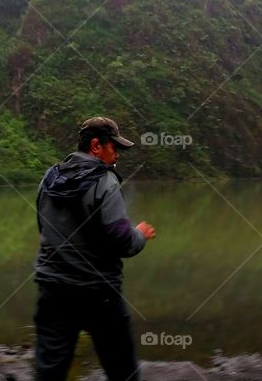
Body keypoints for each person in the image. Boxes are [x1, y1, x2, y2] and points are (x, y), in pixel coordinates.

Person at [33, 116, 157, 381]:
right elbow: (122, 241)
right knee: (122, 370)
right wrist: (141, 234)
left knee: (49, 371)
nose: (117, 155)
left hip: (52, 289)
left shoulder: (50, 177)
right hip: (98, 294)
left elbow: (43, 227)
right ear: (96, 146)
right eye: (114, 148)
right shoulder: (105, 182)